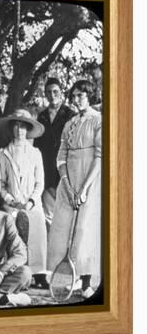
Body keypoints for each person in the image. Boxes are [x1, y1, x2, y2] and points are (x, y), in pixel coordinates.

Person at [47, 80, 102, 299]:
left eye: (81, 95)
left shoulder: (98, 121)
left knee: (85, 231)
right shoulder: (69, 123)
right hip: (68, 184)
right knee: (62, 230)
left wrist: (85, 189)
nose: (76, 99)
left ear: (89, 96)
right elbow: (61, 157)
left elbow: (99, 157)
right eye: (74, 96)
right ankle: (67, 280)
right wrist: (68, 186)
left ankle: (87, 282)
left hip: (90, 182)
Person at [0, 109, 48, 287]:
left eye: (23, 126)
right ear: (12, 129)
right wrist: (10, 200)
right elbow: (0, 183)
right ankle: (13, 270)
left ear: (28, 129)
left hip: (31, 203)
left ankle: (38, 273)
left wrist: (31, 201)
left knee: (37, 225)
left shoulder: (35, 153)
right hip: (11, 204)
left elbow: (40, 183)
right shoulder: (3, 153)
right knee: (8, 227)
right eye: (16, 126)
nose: (19, 130)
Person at [34, 78, 75, 227]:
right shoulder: (42, 116)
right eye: (49, 92)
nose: (52, 95)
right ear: (45, 94)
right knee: (48, 216)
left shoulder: (71, 115)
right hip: (47, 172)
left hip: (64, 171)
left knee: (65, 217)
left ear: (61, 92)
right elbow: (38, 146)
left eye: (55, 91)